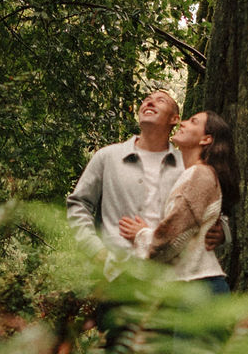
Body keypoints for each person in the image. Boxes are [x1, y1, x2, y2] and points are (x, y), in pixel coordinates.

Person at [65, 88, 225, 261]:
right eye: (147, 99)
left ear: (175, 119)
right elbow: (78, 204)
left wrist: (222, 231)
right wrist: (94, 250)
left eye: (160, 101)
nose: (149, 102)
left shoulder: (188, 167)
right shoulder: (107, 156)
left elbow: (213, 207)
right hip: (113, 271)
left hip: (169, 277)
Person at [120, 110, 236, 293]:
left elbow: (172, 238)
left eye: (193, 121)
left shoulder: (200, 174)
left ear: (206, 139)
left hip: (198, 286)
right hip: (188, 285)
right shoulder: (193, 173)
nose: (183, 123)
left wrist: (140, 234)